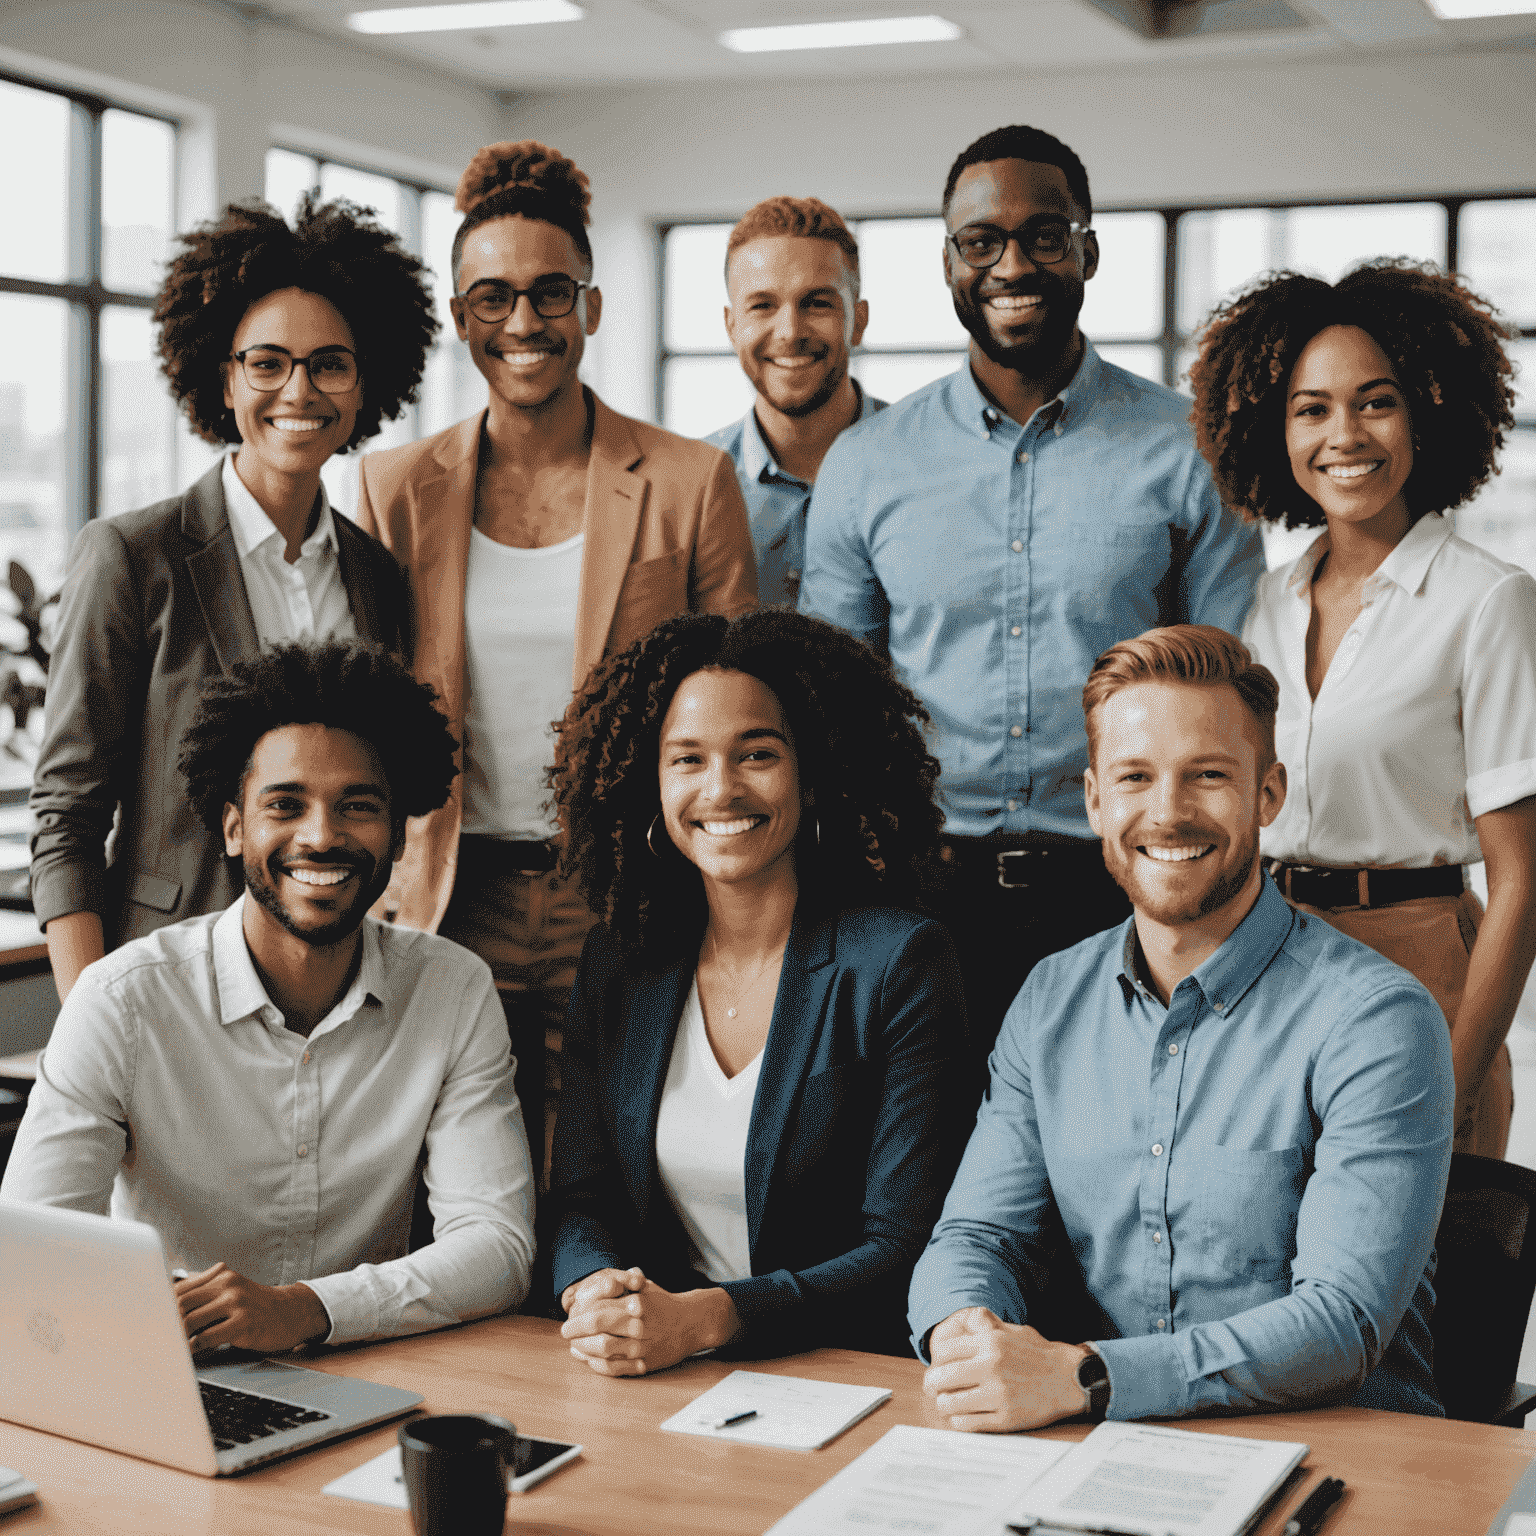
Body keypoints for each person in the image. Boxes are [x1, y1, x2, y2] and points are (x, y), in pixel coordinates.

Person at [799, 124, 1263, 1094]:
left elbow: (1224, 697)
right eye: (983, 241)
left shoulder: (1187, 450)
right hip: (920, 897)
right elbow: (834, 707)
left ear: (1088, 249)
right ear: (949, 262)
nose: (1013, 264)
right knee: (929, 1183)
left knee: (1122, 1175)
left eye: (1045, 235)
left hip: (1126, 883)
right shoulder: (868, 464)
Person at [908, 625, 1453, 1428]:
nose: (1168, 813)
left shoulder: (1376, 1020)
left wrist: (1090, 1377)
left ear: (1268, 793)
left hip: (1342, 1456)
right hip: (1111, 1452)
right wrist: (969, 1335)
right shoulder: (1050, 1000)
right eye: (1135, 777)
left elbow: (1342, 1322)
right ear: (1094, 800)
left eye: (1207, 776)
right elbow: (976, 1238)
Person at [356, 141, 757, 1178]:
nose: (523, 325)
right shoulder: (397, 488)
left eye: (549, 295)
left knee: (608, 1169)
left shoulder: (688, 480)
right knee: (450, 1176)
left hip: (622, 886)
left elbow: (742, 703)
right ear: (458, 316)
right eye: (492, 298)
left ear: (592, 306)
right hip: (450, 887)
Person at [4, 641, 535, 1350]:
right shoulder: (123, 1002)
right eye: (285, 805)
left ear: (400, 836)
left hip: (367, 1368)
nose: (321, 836)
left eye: (358, 806)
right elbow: (34, 1250)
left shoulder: (452, 989)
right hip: (171, 1367)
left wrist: (305, 1309)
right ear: (233, 827)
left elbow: (498, 1247)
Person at [30, 194, 428, 1003]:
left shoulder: (377, 576)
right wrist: (89, 1035)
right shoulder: (132, 559)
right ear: (223, 375)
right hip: (166, 982)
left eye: (330, 363)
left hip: (333, 986)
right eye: (267, 361)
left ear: (363, 385)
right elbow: (67, 819)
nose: (298, 390)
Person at [545, 609, 966, 1369]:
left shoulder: (899, 961)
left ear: (815, 772)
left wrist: (710, 1318)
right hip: (655, 1371)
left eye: (757, 754)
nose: (721, 789)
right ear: (651, 780)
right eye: (687, 760)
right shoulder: (620, 962)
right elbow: (583, 1200)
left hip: (840, 1370)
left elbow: (902, 1246)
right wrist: (595, 1290)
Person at [1189, 260, 1536, 1158]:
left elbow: (1523, 881)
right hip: (1269, 965)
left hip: (1421, 967)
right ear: (1276, 429)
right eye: (1311, 409)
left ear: (1427, 412)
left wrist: (1459, 1075)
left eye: (1375, 402)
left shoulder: (1487, 603)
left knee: (1426, 1284)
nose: (1344, 434)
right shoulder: (1263, 604)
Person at [704, 196, 885, 606]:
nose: (789, 331)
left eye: (817, 303)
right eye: (762, 306)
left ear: (859, 321)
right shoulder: (690, 486)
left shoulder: (924, 465)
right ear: (732, 327)